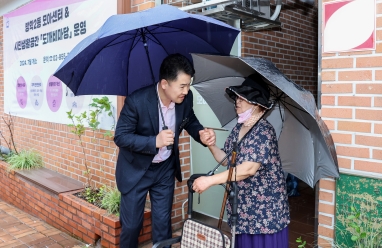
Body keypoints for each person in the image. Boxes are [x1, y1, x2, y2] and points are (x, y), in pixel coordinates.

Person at [114, 53, 215, 248]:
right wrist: (154, 141)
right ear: (164, 84)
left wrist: (200, 133)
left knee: (162, 225)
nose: (186, 91)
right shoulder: (137, 101)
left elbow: (190, 120)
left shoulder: (185, 99)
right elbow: (121, 137)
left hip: (164, 170)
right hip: (137, 171)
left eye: (189, 85)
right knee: (132, 226)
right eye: (182, 86)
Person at [192, 74, 290, 248]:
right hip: (243, 210)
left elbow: (248, 169)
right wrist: (211, 145)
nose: (237, 101)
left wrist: (210, 180)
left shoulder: (264, 131)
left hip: (264, 214)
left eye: (243, 98)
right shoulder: (239, 127)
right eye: (237, 97)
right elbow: (227, 160)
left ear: (257, 104)